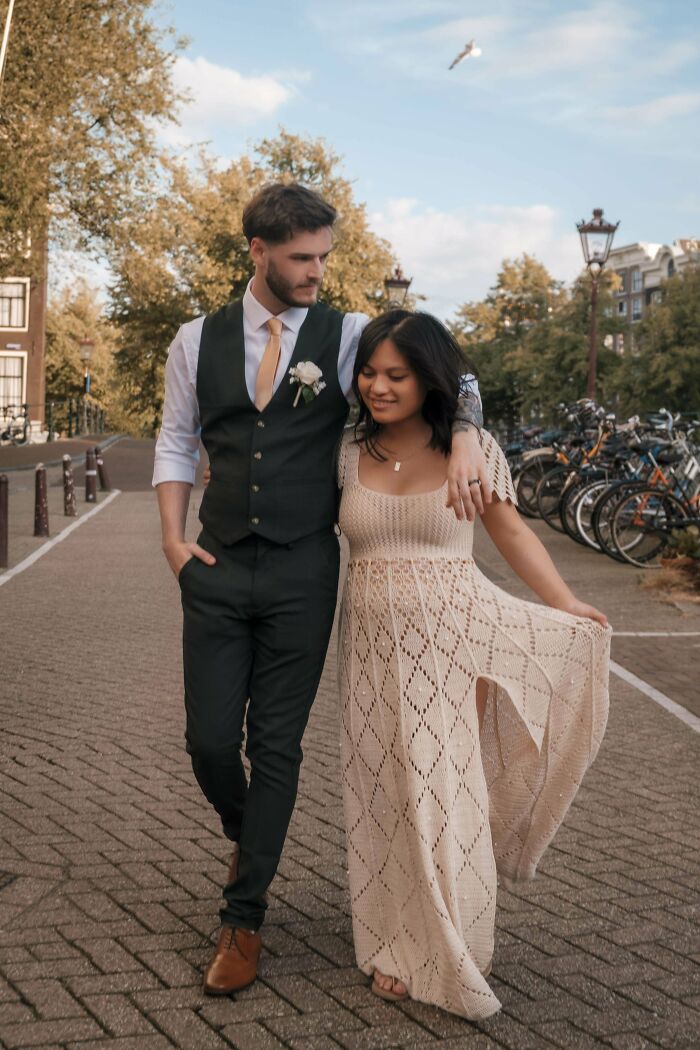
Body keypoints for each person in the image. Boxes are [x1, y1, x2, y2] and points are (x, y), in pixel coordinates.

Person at [152, 182, 488, 995]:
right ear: (258, 251)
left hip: (306, 568)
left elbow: (448, 371)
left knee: (275, 747)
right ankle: (248, 830)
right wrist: (171, 538)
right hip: (218, 564)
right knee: (206, 741)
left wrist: (470, 431)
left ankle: (244, 921)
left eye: (323, 257)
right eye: (302, 258)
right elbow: (174, 441)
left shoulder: (344, 339)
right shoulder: (197, 340)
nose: (317, 272)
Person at [336, 310, 610, 1019]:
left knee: (439, 792)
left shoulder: (473, 448)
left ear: (429, 378)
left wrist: (567, 601)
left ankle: (450, 940)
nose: (377, 386)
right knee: (382, 797)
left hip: (450, 643)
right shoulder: (344, 450)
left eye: (396, 374)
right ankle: (394, 938)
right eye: (369, 371)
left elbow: (512, 532)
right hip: (367, 652)